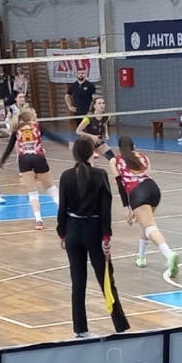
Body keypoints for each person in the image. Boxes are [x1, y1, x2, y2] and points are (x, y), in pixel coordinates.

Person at [57, 136, 130, 339]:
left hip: (73, 231)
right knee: (106, 279)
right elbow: (105, 208)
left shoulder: (66, 176)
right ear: (92, 152)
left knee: (77, 283)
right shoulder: (100, 175)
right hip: (94, 231)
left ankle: (80, 329)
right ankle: (120, 325)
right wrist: (106, 236)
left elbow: (62, 208)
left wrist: (62, 233)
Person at [109, 136, 179, 277]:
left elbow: (121, 185)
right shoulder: (143, 157)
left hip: (137, 192)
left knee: (150, 227)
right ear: (133, 146)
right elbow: (147, 175)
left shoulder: (115, 160)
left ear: (119, 148)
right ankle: (141, 257)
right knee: (145, 224)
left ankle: (169, 255)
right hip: (153, 189)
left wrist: (126, 207)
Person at [0, 107, 60, 230]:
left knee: (32, 192)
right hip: (38, 157)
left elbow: (9, 148)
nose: (36, 114)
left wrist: (1, 163)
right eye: (35, 113)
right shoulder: (37, 126)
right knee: (50, 187)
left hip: (24, 160)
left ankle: (38, 220)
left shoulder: (17, 129)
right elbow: (53, 137)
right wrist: (66, 144)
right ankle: (63, 210)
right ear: (30, 117)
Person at [76, 96, 115, 160]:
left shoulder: (106, 117)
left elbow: (104, 124)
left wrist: (106, 133)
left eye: (103, 103)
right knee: (90, 164)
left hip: (98, 141)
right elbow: (78, 131)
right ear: (94, 106)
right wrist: (92, 137)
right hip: (87, 143)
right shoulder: (88, 118)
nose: (102, 105)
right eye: (99, 103)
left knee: (112, 158)